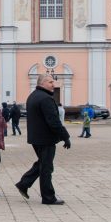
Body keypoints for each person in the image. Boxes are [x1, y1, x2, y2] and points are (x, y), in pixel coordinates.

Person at [15, 74, 71, 205]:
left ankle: (24, 183)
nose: (53, 84)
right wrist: (65, 136)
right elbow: (53, 121)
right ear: (42, 83)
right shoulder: (46, 98)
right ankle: (48, 197)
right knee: (46, 168)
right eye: (50, 82)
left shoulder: (33, 96)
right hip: (46, 138)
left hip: (36, 137)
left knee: (42, 163)